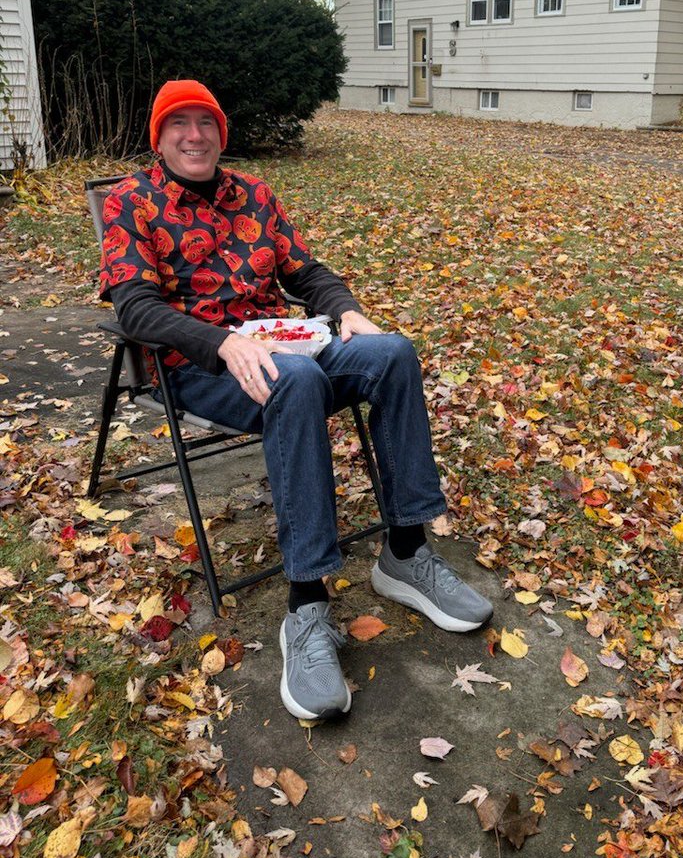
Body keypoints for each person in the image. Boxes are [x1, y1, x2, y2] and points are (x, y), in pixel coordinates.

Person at [99, 79, 492, 721]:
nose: (194, 135)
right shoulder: (131, 203)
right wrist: (221, 344)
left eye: (206, 123)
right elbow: (135, 306)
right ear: (160, 137)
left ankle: (405, 552)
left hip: (285, 342)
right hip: (201, 364)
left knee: (391, 351)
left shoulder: (252, 195)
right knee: (299, 382)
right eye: (180, 124)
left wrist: (349, 312)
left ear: (221, 134)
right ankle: (306, 609)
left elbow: (304, 272)